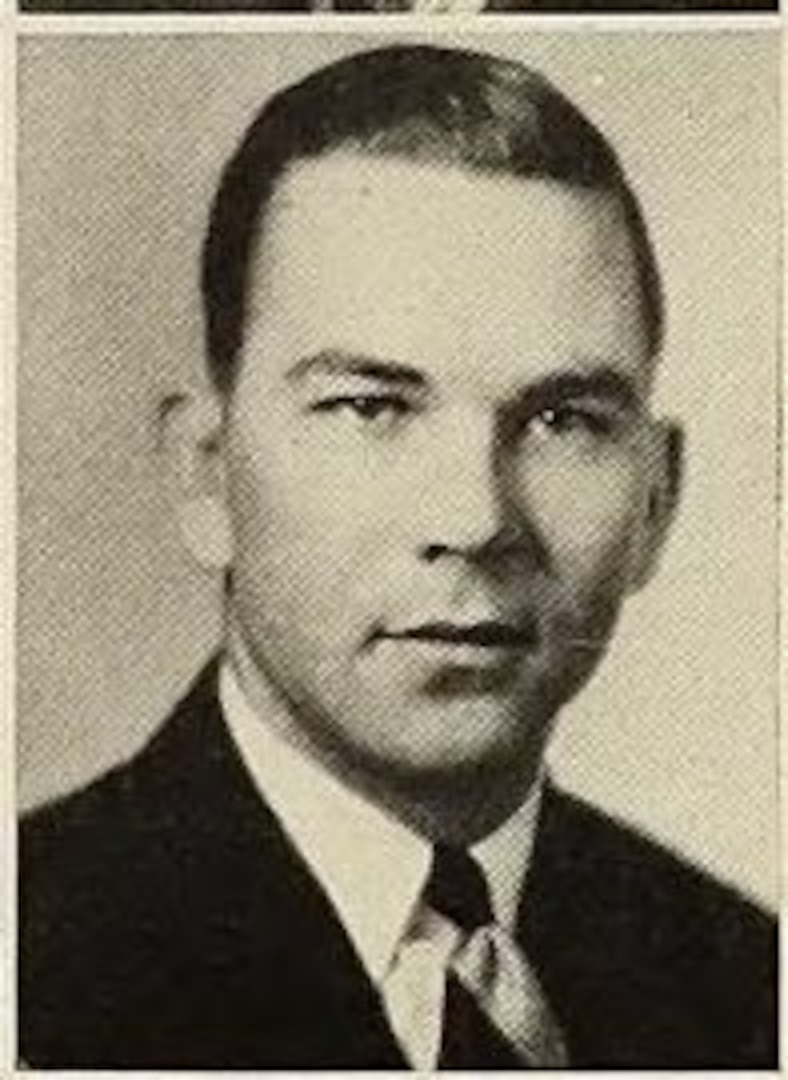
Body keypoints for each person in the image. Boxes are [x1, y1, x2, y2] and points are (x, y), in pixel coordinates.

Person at [19, 43, 776, 1069]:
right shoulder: (33, 963)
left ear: (656, 499)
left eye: (562, 419)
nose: (475, 519)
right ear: (208, 474)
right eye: (370, 407)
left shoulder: (746, 983)